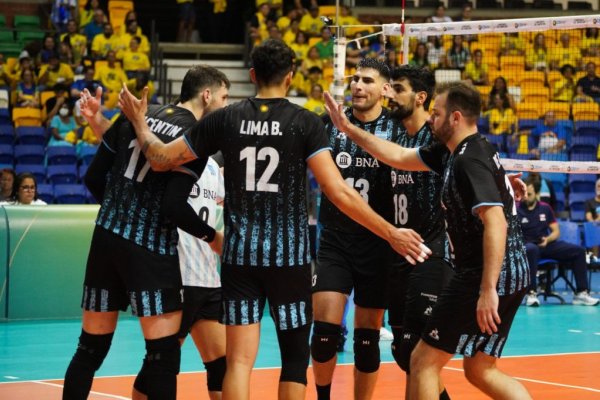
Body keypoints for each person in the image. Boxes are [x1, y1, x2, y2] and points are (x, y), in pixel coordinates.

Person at [118, 39, 428, 400]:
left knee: (238, 363)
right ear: (291, 76)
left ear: (252, 74)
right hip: (289, 258)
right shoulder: (305, 123)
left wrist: (141, 125)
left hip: (239, 256)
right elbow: (339, 193)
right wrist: (391, 232)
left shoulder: (224, 118)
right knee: (294, 363)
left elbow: (160, 159)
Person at [323, 81, 532, 400]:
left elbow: (496, 222)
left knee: (421, 361)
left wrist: (487, 289)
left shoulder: (467, 159)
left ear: (456, 117)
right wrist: (349, 130)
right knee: (479, 368)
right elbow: (398, 156)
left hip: (485, 273)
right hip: (512, 270)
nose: (431, 119)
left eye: (436, 113)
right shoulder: (456, 151)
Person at [62, 65, 231, 400]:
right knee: (163, 357)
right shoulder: (194, 136)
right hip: (149, 247)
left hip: (106, 239)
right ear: (207, 95)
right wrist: (214, 238)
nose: (226, 108)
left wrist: (119, 212)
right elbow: (172, 206)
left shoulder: (137, 113)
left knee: (89, 349)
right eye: (225, 98)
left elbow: (95, 178)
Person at [310, 58, 404, 400]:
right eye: (355, 79)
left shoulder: (397, 128)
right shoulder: (328, 123)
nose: (358, 86)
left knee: (367, 340)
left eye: (367, 80)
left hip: (378, 246)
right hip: (335, 242)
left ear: (385, 89)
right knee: (324, 333)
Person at [384, 65, 454, 400]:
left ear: (420, 97)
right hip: (399, 252)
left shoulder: (437, 137)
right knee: (403, 352)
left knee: (417, 351)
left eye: (397, 89)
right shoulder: (393, 135)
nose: (390, 95)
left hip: (432, 249)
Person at [519, 178, 599, 307]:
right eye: (524, 194)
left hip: (545, 244)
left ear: (537, 194)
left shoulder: (545, 208)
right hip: (527, 247)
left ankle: (581, 293)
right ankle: (531, 293)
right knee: (531, 249)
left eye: (529, 194)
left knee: (578, 251)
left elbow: (556, 232)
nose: (526, 197)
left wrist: (548, 239)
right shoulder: (517, 209)